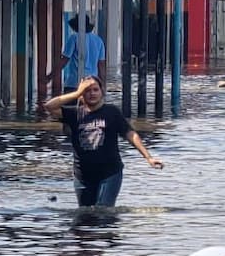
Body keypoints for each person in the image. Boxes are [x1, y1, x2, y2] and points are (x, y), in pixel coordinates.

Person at [43, 75, 163, 207]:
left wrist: (148, 157)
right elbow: (49, 106)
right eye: (87, 91)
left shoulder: (112, 112)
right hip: (82, 176)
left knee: (103, 211)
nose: (92, 94)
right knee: (85, 216)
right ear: (82, 95)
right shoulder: (75, 114)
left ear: (102, 92)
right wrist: (76, 93)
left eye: (95, 89)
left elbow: (130, 134)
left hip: (109, 173)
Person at [51, 15, 106, 94]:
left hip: (74, 84)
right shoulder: (98, 40)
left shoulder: (74, 38)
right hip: (92, 84)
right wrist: (102, 86)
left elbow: (64, 61)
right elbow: (101, 66)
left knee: (69, 105)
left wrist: (50, 77)